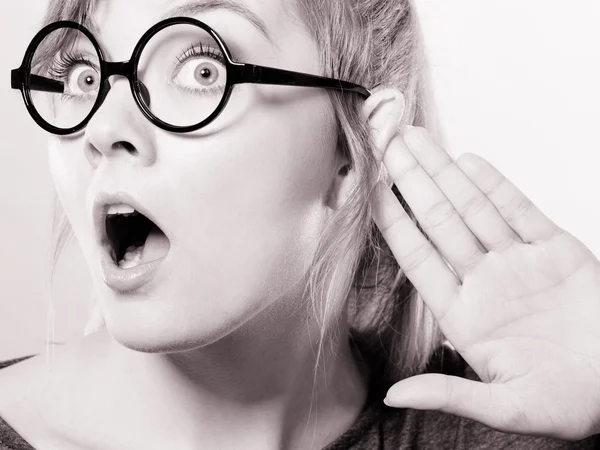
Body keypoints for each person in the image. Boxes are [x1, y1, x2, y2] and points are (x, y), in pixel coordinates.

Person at [1, 0, 600, 449]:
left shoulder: (502, 419)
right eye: (84, 74)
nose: (104, 128)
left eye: (202, 69)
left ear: (352, 149)